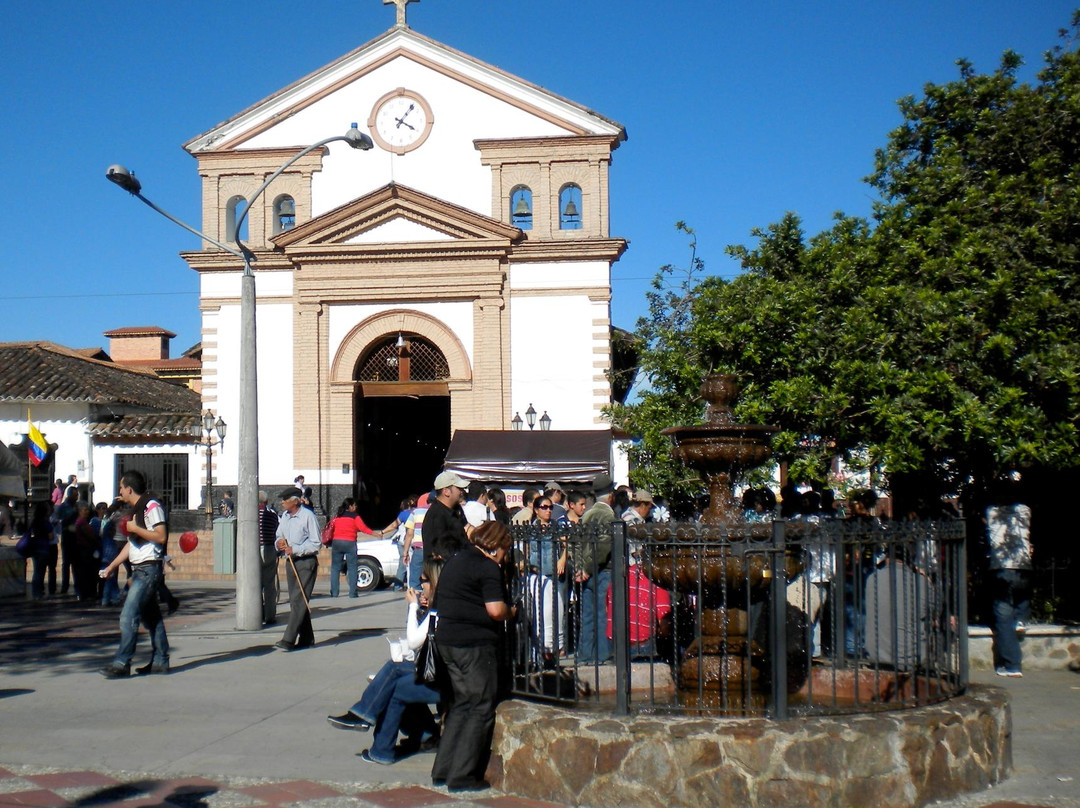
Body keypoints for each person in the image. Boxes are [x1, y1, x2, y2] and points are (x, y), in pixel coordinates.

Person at [329, 558, 444, 765]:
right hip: (443, 672)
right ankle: (371, 720)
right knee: (394, 670)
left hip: (445, 679)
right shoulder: (441, 607)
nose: (420, 586)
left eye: (424, 581)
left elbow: (414, 641)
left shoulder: (440, 609)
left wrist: (413, 607)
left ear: (434, 583)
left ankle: (379, 746)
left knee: (394, 688)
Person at [431, 521, 516, 792]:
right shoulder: (486, 567)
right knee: (480, 706)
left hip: (447, 641)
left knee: (461, 704)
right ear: (497, 545)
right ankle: (462, 776)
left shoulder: (456, 560)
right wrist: (512, 612)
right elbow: (495, 610)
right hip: (474, 644)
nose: (504, 556)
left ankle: (443, 770)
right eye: (505, 550)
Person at [99, 470, 170, 677]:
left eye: (121, 487)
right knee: (152, 618)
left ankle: (122, 662)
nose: (120, 492)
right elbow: (132, 545)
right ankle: (160, 660)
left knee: (128, 615)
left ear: (129, 489)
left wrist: (135, 529)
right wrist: (112, 566)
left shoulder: (151, 506)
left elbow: (161, 536)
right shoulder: (138, 511)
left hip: (148, 569)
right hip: (141, 569)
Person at [985, 488, 1033, 678]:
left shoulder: (992, 513)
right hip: (1023, 565)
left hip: (1002, 567)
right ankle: (1021, 618)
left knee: (1003, 617)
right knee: (1022, 592)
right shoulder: (1024, 511)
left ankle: (1012, 665)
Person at [574, 473, 616, 663]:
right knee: (602, 614)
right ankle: (601, 656)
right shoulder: (607, 515)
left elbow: (576, 543)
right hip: (601, 571)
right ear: (611, 495)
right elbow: (604, 546)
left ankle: (585, 655)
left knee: (587, 616)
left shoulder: (587, 514)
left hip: (585, 573)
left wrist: (579, 568)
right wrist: (588, 568)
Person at [274, 487, 321, 651]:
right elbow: (278, 535)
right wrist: (279, 543)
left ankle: (288, 639)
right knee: (296, 601)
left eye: (285, 499)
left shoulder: (308, 516)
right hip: (290, 562)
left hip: (305, 562)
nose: (282, 502)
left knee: (299, 599)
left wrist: (295, 549)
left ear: (294, 501)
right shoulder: (285, 517)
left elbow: (316, 543)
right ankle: (307, 637)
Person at [328, 496, 379, 598]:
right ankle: (352, 592)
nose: (356, 507)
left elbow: (331, 528)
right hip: (350, 543)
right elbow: (363, 528)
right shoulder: (355, 517)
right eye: (354, 505)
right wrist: (375, 534)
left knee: (335, 568)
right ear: (350, 506)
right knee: (352, 567)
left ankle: (334, 592)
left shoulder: (338, 516)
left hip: (337, 542)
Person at [424, 471, 469, 562]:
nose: (462, 492)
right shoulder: (436, 515)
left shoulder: (456, 509)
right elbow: (438, 552)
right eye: (459, 488)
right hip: (446, 567)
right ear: (446, 492)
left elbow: (467, 528)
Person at [258, 491, 280, 624]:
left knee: (256, 585)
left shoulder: (252, 516)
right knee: (270, 585)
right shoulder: (272, 516)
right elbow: (277, 532)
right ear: (266, 502)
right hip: (270, 549)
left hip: (255, 551)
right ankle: (270, 615)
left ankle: (258, 613)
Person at [27, 502, 54, 600]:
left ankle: (35, 592)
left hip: (35, 549)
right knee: (41, 572)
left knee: (36, 571)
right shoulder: (46, 523)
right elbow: (51, 536)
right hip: (43, 549)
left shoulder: (34, 521)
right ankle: (38, 593)